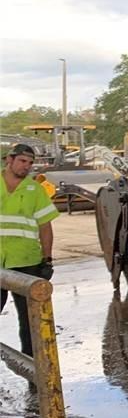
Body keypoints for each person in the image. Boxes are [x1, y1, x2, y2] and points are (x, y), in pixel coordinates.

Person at [1, 144, 59, 356]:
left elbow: (45, 226)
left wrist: (47, 259)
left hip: (27, 263)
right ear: (10, 159)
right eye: (22, 161)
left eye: (30, 163)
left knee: (29, 323)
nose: (26, 167)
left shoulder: (35, 190)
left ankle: (35, 375)